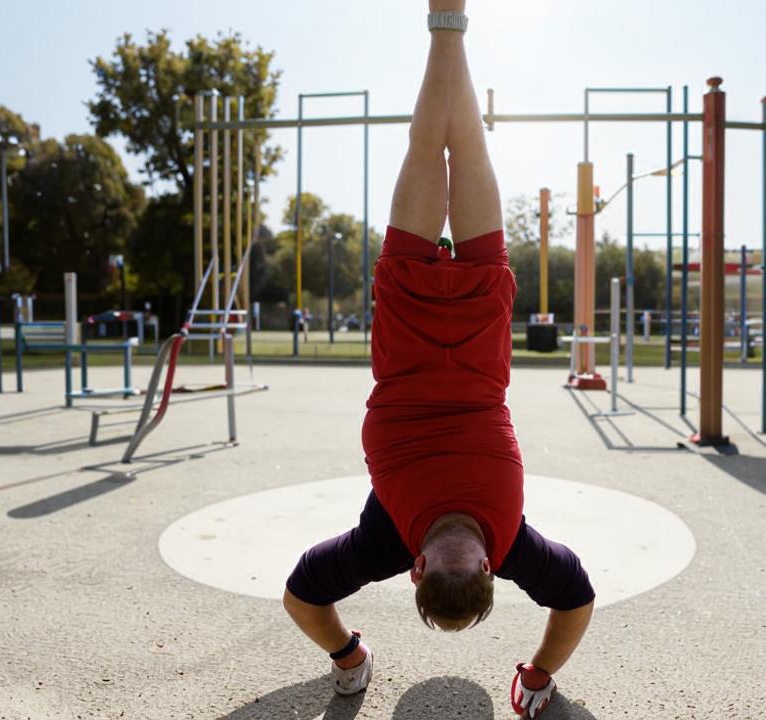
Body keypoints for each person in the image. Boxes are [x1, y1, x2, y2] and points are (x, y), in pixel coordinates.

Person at [281, 3, 594, 718]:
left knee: (442, 153)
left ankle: (449, 22)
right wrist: (345, 652)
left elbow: (577, 598)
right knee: (455, 151)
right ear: (420, 570)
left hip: (454, 325)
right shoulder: (388, 539)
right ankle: (443, 23)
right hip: (445, 322)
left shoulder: (507, 545)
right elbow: (302, 594)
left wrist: (349, 657)